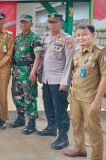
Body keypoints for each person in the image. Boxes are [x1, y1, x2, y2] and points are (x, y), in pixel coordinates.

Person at [63, 24, 106, 160]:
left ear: (93, 34)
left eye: (84, 34)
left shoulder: (101, 53)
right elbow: (75, 74)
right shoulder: (78, 52)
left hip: (90, 99)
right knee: (76, 123)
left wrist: (97, 102)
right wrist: (70, 92)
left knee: (93, 130)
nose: (81, 37)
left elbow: (105, 77)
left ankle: (96, 157)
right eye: (78, 35)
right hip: (75, 96)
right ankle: (80, 149)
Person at [37, 13, 76, 150]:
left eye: (54, 22)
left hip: (59, 81)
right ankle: (51, 128)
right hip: (47, 80)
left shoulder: (68, 39)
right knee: (48, 106)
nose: (52, 24)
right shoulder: (47, 38)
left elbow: (69, 62)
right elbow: (43, 57)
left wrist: (65, 82)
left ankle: (63, 137)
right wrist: (40, 73)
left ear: (61, 23)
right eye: (50, 22)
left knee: (60, 109)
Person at [10, 14, 42, 135]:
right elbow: (13, 56)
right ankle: (20, 118)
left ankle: (32, 123)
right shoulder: (17, 38)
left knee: (29, 97)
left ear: (31, 24)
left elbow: (38, 57)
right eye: (22, 22)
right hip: (17, 71)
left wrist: (33, 73)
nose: (23, 24)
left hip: (28, 72)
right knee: (16, 96)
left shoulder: (35, 38)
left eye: (26, 22)